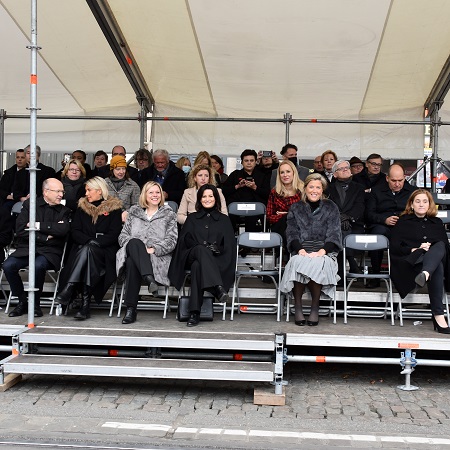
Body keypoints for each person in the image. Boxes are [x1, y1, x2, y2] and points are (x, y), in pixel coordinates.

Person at [169, 184, 237, 327]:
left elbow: (229, 245)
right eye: (204, 196)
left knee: (197, 267)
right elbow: (184, 240)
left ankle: (194, 313)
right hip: (191, 254)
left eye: (210, 196)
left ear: (216, 198)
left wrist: (217, 249)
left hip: (213, 260)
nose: (207, 199)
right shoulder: (192, 218)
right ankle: (217, 288)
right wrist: (201, 246)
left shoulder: (224, 219)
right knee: (200, 250)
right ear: (199, 199)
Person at [55, 177, 122, 320]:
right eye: (86, 190)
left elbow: (114, 234)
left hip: (105, 251)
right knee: (87, 252)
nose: (86, 193)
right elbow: (75, 231)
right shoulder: (82, 207)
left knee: (88, 252)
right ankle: (85, 305)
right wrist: (89, 242)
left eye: (89, 190)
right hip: (82, 248)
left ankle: (70, 288)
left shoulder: (114, 208)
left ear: (99, 191)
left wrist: (96, 242)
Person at [280, 173, 342, 326]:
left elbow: (334, 234)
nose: (314, 190)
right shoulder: (296, 207)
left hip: (324, 251)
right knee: (298, 262)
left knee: (317, 263)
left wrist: (322, 252)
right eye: (311, 187)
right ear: (305, 188)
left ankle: (315, 307)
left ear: (322, 190)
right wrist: (300, 250)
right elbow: (291, 232)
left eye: (318, 188)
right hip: (301, 249)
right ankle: (299, 307)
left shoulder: (331, 207)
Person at [4, 178, 71, 317]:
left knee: (38, 266)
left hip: (49, 252)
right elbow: (20, 229)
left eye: (62, 191)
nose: (61, 194)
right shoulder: (30, 204)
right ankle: (22, 301)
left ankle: (35, 304)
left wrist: (37, 225)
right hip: (26, 248)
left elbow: (63, 230)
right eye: (58, 191)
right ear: (46, 192)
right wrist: (45, 236)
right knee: (8, 266)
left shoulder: (64, 210)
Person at [116, 181, 178, 324]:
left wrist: (154, 249)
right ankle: (149, 278)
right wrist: (138, 248)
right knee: (134, 243)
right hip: (135, 252)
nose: (155, 195)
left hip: (157, 258)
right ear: (145, 194)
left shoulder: (169, 214)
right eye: (151, 192)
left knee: (132, 262)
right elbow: (123, 236)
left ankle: (131, 310)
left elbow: (172, 240)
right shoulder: (134, 211)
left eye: (157, 192)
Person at [390, 190, 450, 334]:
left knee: (440, 246)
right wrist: (414, 249)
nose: (421, 204)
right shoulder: (403, 221)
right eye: (417, 201)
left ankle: (426, 273)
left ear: (430, 204)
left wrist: (430, 247)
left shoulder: (437, 222)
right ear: (411, 204)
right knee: (437, 267)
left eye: (425, 201)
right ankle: (439, 317)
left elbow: (445, 247)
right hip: (412, 262)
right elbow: (395, 246)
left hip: (431, 261)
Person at [365, 163, 417, 287]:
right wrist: (384, 219)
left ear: (405, 178)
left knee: (412, 235)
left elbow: (419, 212)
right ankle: (376, 276)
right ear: (387, 178)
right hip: (382, 226)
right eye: (394, 180)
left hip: (405, 227)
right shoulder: (376, 191)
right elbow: (368, 214)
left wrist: (404, 219)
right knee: (377, 235)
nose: (397, 184)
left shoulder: (413, 192)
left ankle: (406, 278)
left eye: (400, 180)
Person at [327, 160, 365, 282]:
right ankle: (352, 262)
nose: (345, 169)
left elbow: (360, 206)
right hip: (334, 225)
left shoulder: (359, 188)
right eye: (341, 168)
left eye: (347, 167)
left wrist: (348, 217)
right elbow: (328, 206)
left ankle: (340, 275)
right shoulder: (328, 188)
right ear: (335, 174)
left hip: (355, 225)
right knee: (340, 232)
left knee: (342, 232)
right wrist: (339, 218)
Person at [222, 148, 271, 233]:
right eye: (246, 160)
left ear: (256, 162)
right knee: (229, 216)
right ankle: (231, 241)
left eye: (251, 160)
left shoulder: (262, 176)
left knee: (253, 217)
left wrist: (255, 188)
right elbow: (223, 191)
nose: (249, 163)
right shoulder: (235, 174)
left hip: (255, 207)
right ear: (242, 162)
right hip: (236, 207)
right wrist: (237, 186)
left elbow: (268, 194)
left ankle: (252, 244)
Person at [266, 160, 303, 245]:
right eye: (282, 172)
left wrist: (288, 214)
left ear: (294, 173)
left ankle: (286, 254)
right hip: (280, 227)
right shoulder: (274, 192)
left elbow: (307, 214)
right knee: (285, 222)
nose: (285, 175)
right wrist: (286, 216)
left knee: (290, 221)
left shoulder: (303, 191)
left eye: (288, 171)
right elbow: (269, 217)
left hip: (300, 226)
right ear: (279, 175)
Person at [105, 155, 140, 222]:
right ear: (112, 170)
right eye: (118, 169)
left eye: (123, 168)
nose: (121, 172)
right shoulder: (104, 184)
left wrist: (128, 212)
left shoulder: (133, 185)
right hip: (107, 222)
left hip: (126, 223)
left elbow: (137, 206)